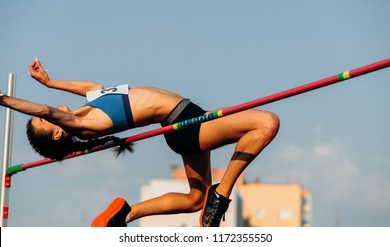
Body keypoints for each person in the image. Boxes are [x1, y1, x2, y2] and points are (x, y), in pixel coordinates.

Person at [0, 58, 280, 227]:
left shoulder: (89, 108)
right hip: (186, 126)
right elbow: (43, 110)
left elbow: (90, 87)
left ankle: (124, 214)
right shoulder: (84, 126)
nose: (46, 111)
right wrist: (3, 100)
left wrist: (50, 82)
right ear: (58, 132)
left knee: (195, 199)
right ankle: (222, 194)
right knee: (266, 122)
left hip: (187, 119)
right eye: (42, 122)